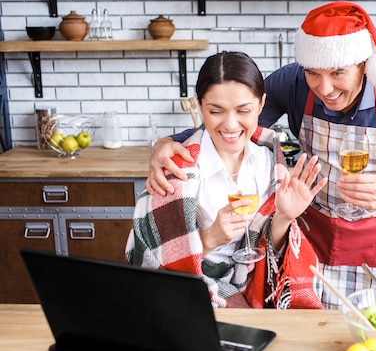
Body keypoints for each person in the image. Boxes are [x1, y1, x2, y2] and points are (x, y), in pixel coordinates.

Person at [146, 1, 376, 309]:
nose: (324, 88)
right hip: (314, 238)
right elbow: (236, 124)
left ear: (365, 64)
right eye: (314, 73)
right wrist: (169, 141)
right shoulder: (293, 82)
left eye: (338, 73)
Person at [125, 51, 328, 309]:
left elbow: (272, 258)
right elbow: (149, 267)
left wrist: (284, 218)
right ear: (199, 105)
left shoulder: (268, 162)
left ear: (261, 104)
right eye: (216, 111)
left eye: (243, 110)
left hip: (257, 297)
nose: (231, 125)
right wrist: (210, 238)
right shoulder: (176, 172)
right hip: (195, 297)